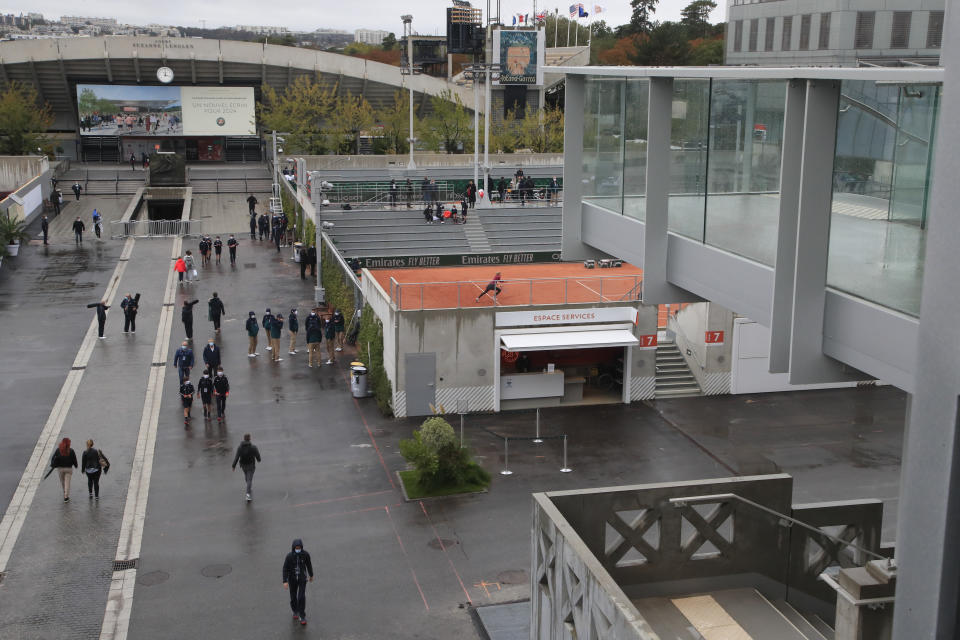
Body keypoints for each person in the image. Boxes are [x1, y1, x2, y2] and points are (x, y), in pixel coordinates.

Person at [282, 539, 314, 625]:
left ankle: (302, 616)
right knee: (293, 597)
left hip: (302, 579)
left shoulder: (305, 555)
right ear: (293, 548)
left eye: (299, 547)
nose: (298, 549)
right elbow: (285, 569)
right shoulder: (289, 556)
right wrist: (285, 581)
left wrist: (311, 575)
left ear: (301, 547)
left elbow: (309, 565)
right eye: (296, 547)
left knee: (301, 597)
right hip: (292, 579)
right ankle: (295, 611)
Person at [232, 433, 261, 502]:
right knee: (249, 480)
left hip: (243, 465)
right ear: (249, 438)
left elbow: (237, 457)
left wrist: (233, 466)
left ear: (244, 439)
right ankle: (248, 495)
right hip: (251, 465)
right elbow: (257, 455)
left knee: (247, 477)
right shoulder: (253, 447)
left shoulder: (240, 447)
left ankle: (249, 488)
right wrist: (259, 459)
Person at [50, 437, 78, 502]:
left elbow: (53, 458)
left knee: (63, 482)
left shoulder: (58, 450)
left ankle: (65, 492)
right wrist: (76, 465)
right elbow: (74, 459)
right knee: (67, 483)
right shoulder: (71, 451)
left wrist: (53, 464)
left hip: (60, 469)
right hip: (68, 469)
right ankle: (66, 497)